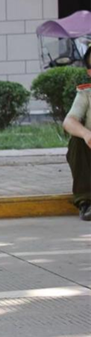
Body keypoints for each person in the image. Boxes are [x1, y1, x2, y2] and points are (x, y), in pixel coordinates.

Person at [63, 47, 91, 221]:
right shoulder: (86, 94)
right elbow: (69, 121)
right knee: (77, 141)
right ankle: (86, 202)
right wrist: (86, 134)